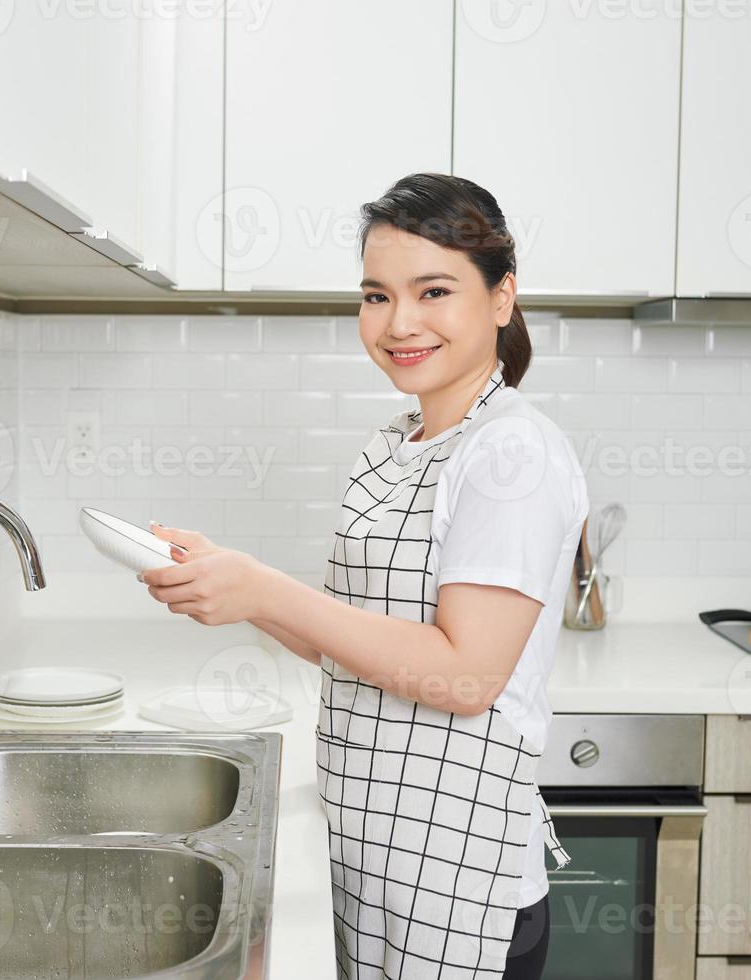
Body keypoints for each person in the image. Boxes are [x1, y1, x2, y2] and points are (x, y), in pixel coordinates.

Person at [139, 172, 589, 979]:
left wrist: (264, 590)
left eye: (433, 291)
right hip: (381, 857)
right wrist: (230, 584)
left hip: (459, 877)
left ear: (500, 298)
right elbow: (365, 643)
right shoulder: (399, 441)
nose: (398, 322)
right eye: (376, 296)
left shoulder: (511, 453)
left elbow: (464, 675)